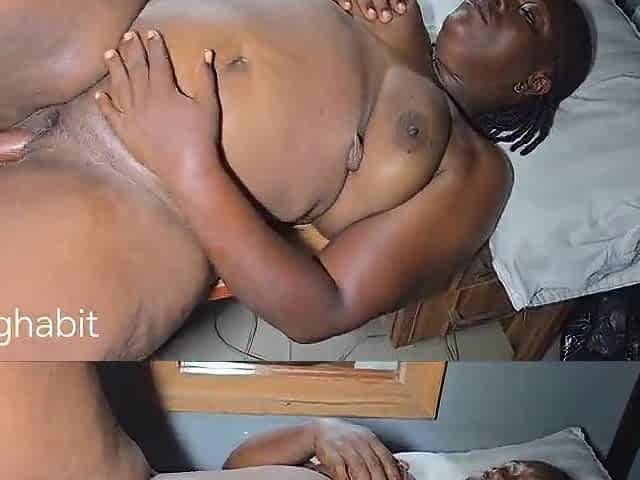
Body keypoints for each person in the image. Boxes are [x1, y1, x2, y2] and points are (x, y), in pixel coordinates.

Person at [0, 0, 593, 359]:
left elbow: (322, 309)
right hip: (94, 37)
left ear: (535, 81)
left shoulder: (475, 168)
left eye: (528, 13)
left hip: (134, 190)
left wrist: (190, 165)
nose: (499, 1)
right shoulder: (394, 13)